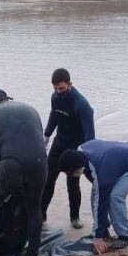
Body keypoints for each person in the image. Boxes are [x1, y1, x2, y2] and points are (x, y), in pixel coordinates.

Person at [0, 89, 47, 256]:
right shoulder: (30, 109)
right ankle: (32, 254)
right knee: (34, 207)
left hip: (11, 163)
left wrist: (4, 186)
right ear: (7, 99)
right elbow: (38, 137)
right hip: (40, 161)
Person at [58, 140, 128, 255]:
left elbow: (102, 202)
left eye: (70, 173)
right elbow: (98, 193)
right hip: (118, 164)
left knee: (115, 196)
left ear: (79, 167)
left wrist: (98, 238)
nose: (70, 176)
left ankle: (124, 236)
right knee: (95, 194)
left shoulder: (101, 171)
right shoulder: (81, 152)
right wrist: (100, 231)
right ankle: (103, 231)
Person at [42, 68, 95, 230]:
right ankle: (41, 215)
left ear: (70, 84)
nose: (58, 92)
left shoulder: (81, 104)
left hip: (74, 148)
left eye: (62, 88)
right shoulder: (55, 97)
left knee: (73, 184)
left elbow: (89, 133)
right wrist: (46, 135)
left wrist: (88, 154)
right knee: (48, 179)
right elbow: (54, 115)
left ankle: (74, 217)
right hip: (59, 144)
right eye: (55, 88)